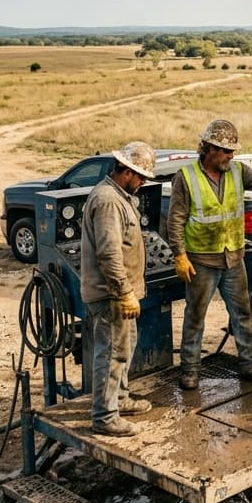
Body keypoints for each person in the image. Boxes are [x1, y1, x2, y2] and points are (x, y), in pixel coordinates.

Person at [167, 119, 252, 390]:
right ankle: (190, 370)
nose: (231, 156)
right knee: (195, 317)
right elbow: (175, 220)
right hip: (201, 261)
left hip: (233, 258)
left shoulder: (237, 171)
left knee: (242, 315)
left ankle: (249, 366)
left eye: (232, 152)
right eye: (226, 151)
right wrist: (179, 255)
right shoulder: (186, 178)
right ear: (209, 148)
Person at [81, 140, 156, 436]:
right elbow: (109, 253)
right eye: (140, 177)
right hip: (110, 293)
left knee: (124, 349)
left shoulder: (117, 196)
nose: (142, 183)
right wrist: (124, 291)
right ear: (126, 171)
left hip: (118, 293)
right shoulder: (109, 200)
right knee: (112, 353)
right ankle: (104, 416)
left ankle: (119, 399)